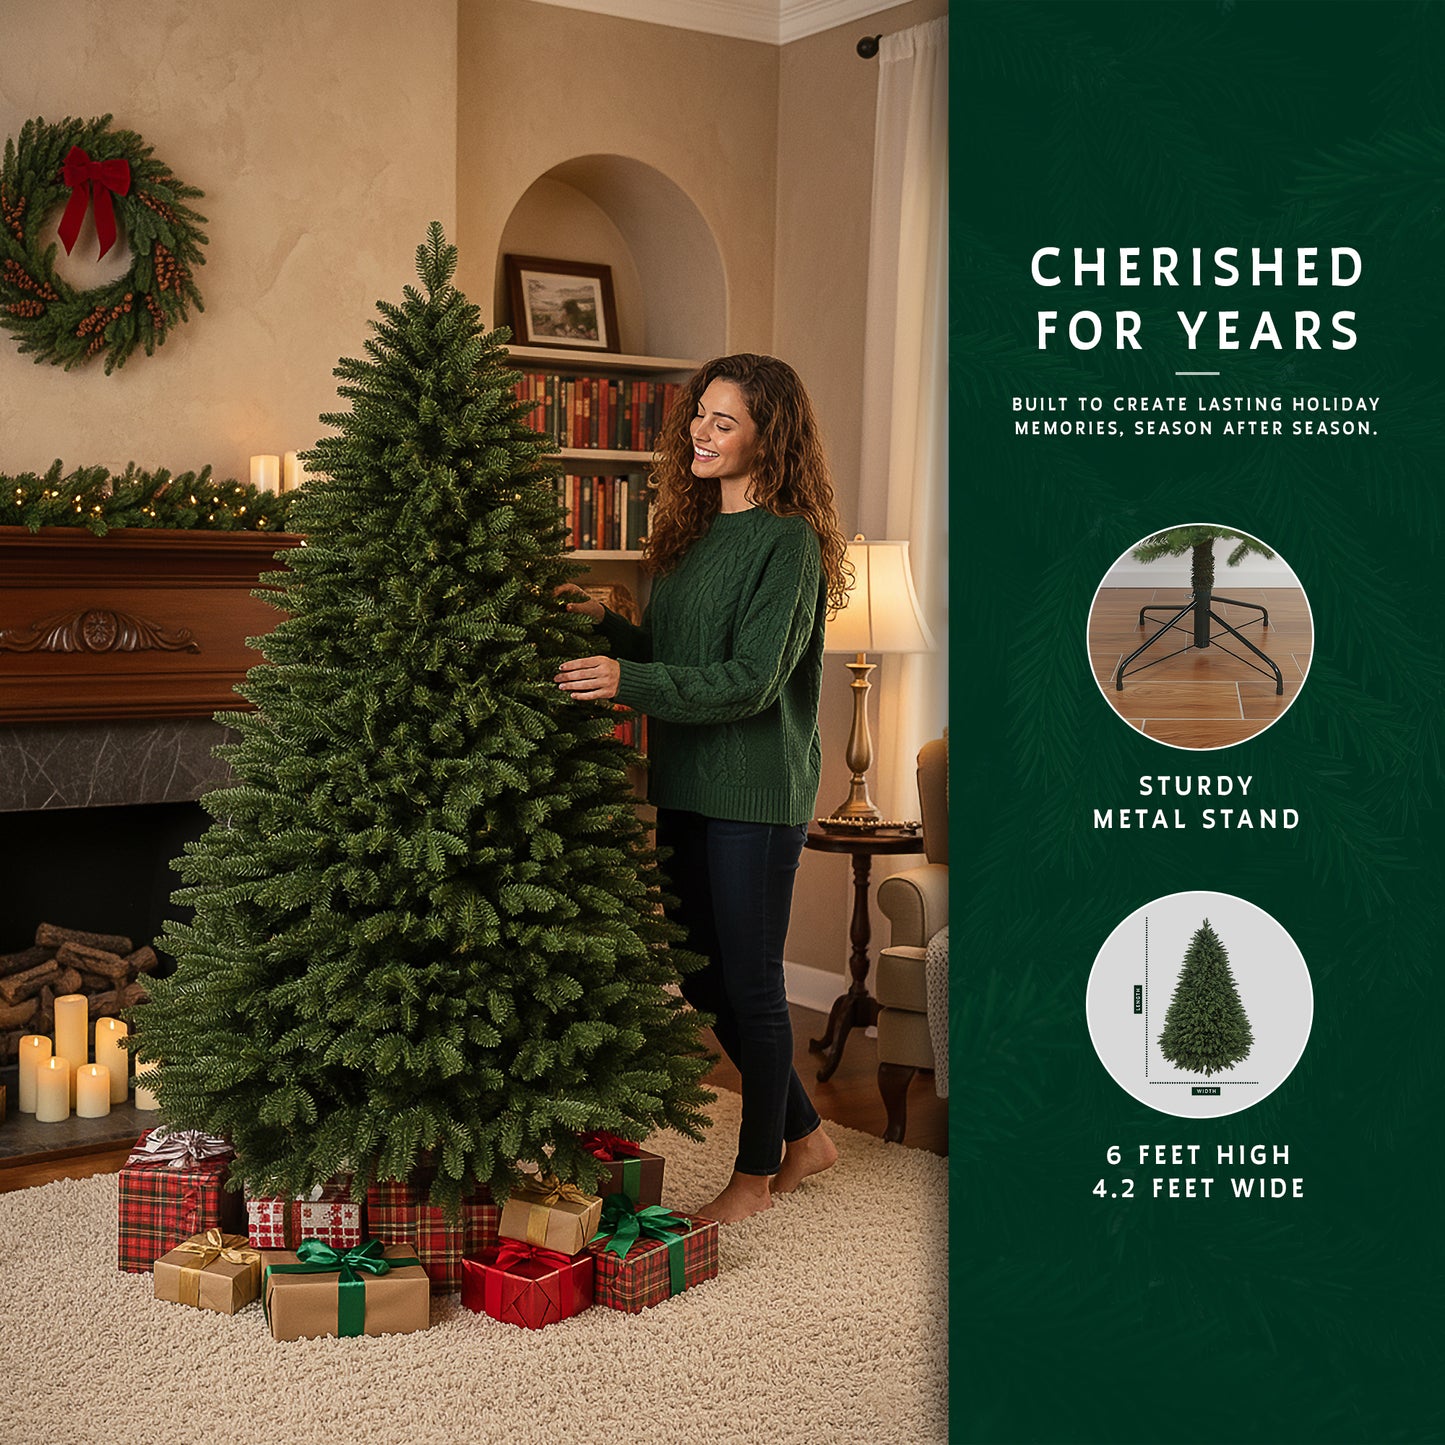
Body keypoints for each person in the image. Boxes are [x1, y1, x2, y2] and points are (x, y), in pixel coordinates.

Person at [555, 353, 851, 1223]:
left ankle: (757, 1175)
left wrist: (624, 679)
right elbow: (674, 661)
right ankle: (807, 1135)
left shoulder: (789, 540)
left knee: (751, 984)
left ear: (771, 437)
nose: (702, 432)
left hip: (756, 793)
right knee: (701, 977)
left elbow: (751, 681)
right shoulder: (686, 537)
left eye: (725, 422)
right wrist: (605, 627)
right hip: (684, 781)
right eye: (700, 417)